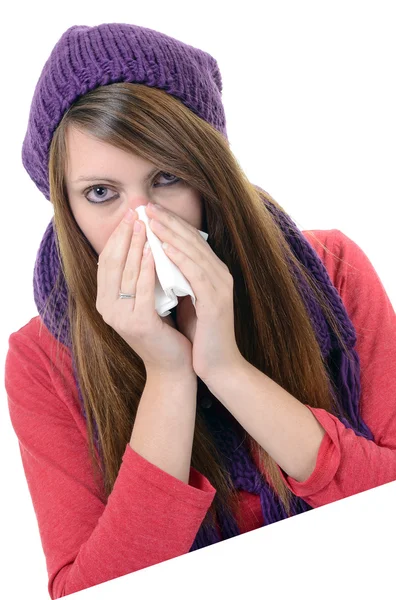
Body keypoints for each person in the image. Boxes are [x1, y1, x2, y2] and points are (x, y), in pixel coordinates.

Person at [4, 21, 396, 600]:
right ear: (65, 204)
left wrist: (228, 370)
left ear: (209, 175)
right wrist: (168, 374)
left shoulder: (333, 267)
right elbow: (87, 590)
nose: (141, 221)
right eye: (100, 193)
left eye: (167, 178)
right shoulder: (40, 359)